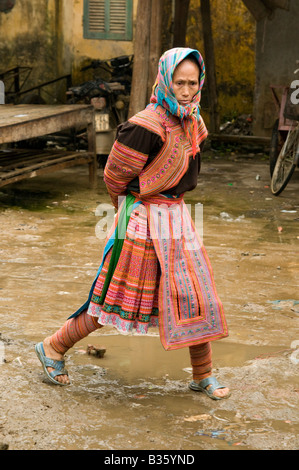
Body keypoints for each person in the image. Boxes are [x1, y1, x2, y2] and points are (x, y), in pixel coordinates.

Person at [35, 47, 230, 400]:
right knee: (117, 298)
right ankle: (52, 347)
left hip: (178, 218)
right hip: (142, 220)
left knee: (195, 297)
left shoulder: (193, 119)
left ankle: (203, 375)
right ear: (165, 81)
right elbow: (114, 177)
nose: (186, 90)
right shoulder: (144, 126)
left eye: (192, 82)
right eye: (179, 82)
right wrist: (130, 211)